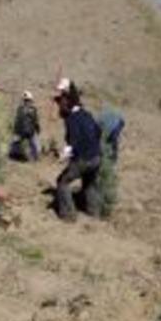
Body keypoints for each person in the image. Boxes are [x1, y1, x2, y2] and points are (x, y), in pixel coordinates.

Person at [54, 86, 103, 221]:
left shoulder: (72, 118)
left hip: (84, 158)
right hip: (97, 157)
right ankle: (94, 212)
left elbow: (73, 142)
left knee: (62, 182)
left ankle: (69, 215)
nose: (59, 106)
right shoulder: (87, 114)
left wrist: (63, 155)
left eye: (60, 103)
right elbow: (98, 131)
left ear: (67, 103)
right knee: (89, 183)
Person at [10, 91, 40, 162]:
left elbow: (35, 120)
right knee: (15, 144)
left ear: (31, 101)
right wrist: (15, 130)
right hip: (21, 131)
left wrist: (37, 128)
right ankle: (15, 155)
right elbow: (17, 120)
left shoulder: (33, 109)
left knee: (35, 146)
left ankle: (35, 158)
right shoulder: (20, 109)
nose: (26, 102)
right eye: (25, 100)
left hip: (30, 131)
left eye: (28, 100)